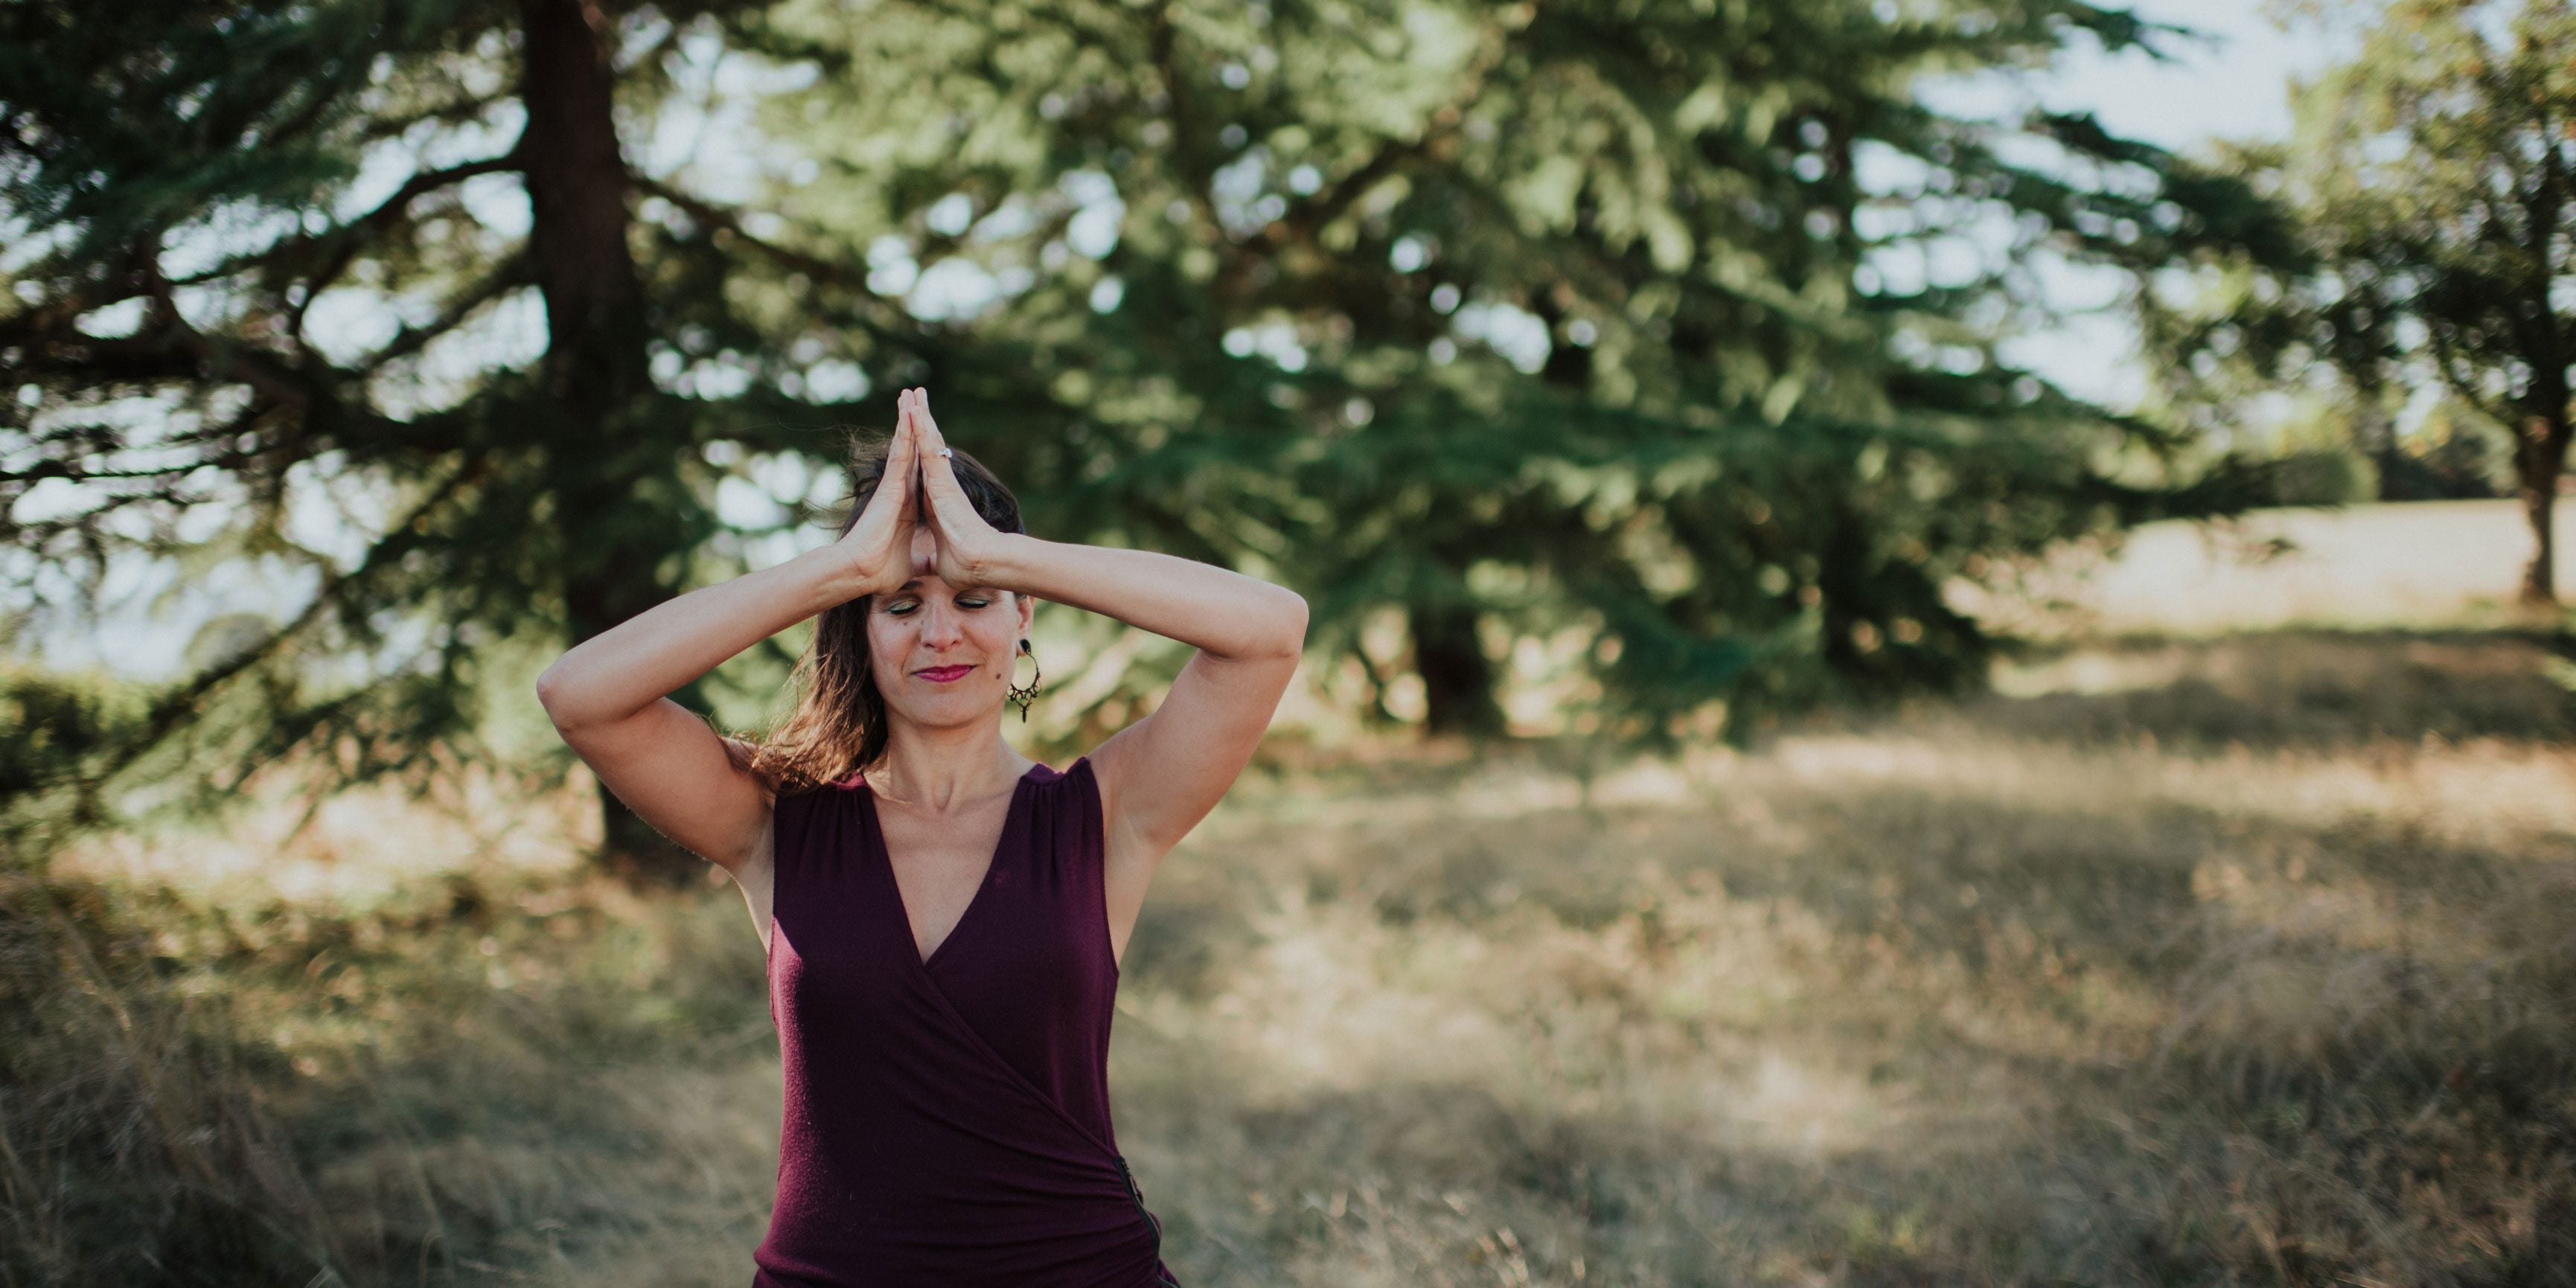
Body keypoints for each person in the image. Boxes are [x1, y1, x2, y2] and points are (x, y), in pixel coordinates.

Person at [534, 388, 1308, 1287]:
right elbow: (579, 694)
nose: (939, 634)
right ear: (858, 629)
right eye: (899, 606)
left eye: (975, 599)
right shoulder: (777, 823)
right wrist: (840, 569)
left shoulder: (1102, 815)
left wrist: (1002, 553)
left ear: (1022, 618)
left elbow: (1269, 630)